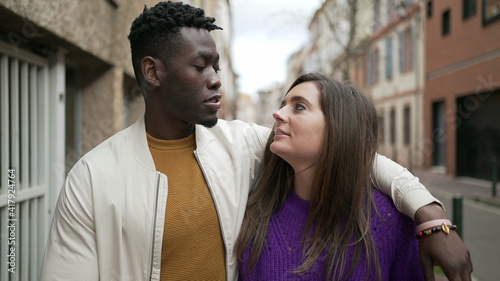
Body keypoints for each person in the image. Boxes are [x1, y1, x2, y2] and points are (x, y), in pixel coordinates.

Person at [40, 1, 472, 281]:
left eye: (218, 67)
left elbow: (353, 155)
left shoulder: (240, 144)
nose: (216, 80)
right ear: (153, 73)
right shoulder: (93, 177)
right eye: (201, 66)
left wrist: (430, 215)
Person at [236, 73, 426, 280]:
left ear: (339, 128)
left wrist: (435, 222)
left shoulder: (388, 222)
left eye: (299, 106)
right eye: (283, 104)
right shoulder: (256, 215)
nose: (278, 113)